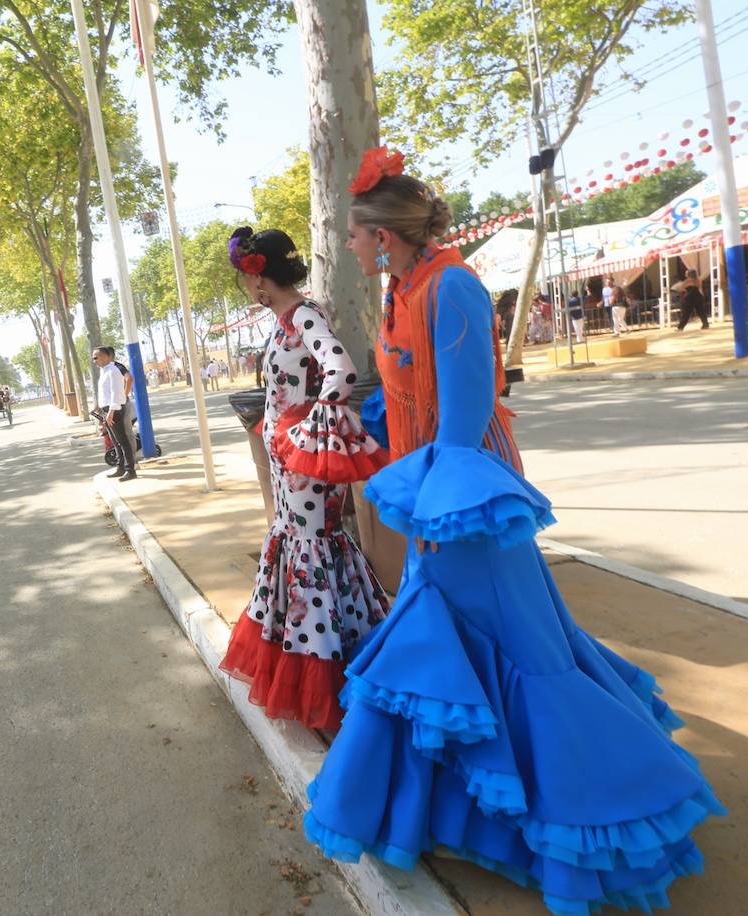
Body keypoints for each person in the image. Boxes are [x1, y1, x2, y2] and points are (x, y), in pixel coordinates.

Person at [303, 147, 723, 912]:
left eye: (357, 236)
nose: (353, 247)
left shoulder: (452, 286)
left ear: (383, 238)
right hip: (436, 503)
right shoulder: (404, 287)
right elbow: (413, 399)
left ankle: (588, 817)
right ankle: (453, 813)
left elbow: (464, 421)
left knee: (512, 650)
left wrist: (435, 514)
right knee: (455, 652)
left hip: (466, 507)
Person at [218, 226, 391, 729]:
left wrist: (311, 429)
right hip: (291, 463)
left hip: (304, 466)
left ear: (259, 278)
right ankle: (328, 658)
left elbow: (341, 371)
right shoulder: (286, 319)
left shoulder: (303, 315)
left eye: (246, 279)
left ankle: (324, 676)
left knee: (312, 546)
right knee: (306, 545)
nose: (246, 288)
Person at [93, 346, 135, 480]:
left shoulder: (113, 371)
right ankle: (120, 467)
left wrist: (111, 412)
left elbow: (116, 393)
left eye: (96, 357)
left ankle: (130, 470)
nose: (94, 360)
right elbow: (105, 393)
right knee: (115, 442)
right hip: (107, 410)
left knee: (123, 441)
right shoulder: (104, 371)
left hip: (114, 410)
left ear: (105, 357)